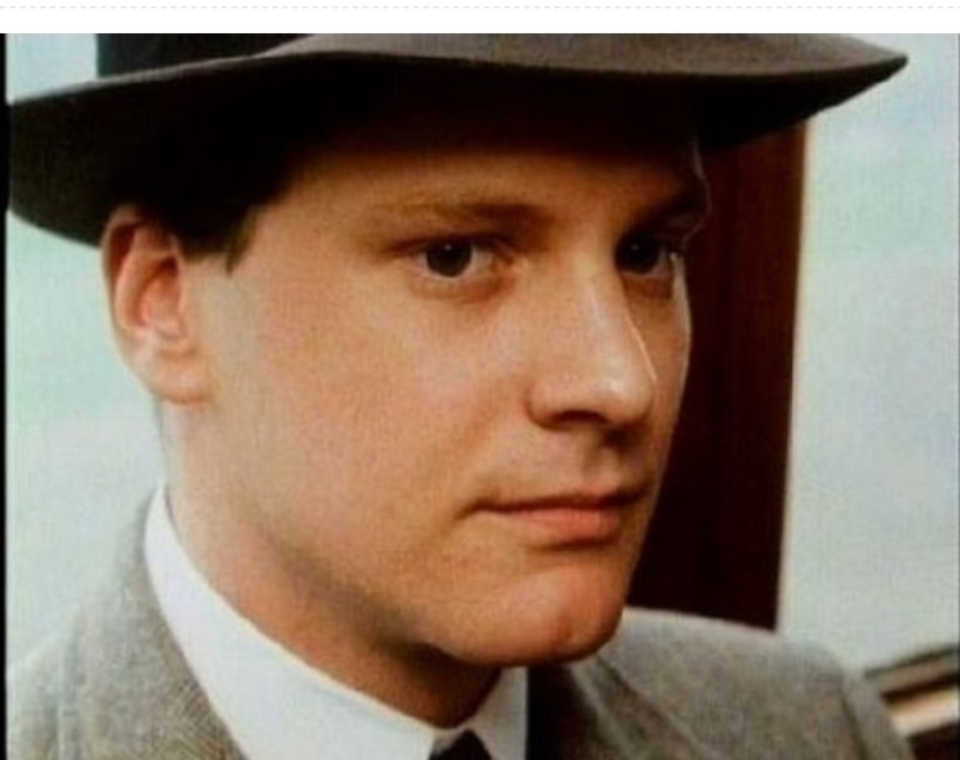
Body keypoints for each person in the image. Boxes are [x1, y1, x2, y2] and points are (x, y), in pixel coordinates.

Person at [8, 35, 912, 759]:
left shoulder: (811, 728)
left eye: (646, 253)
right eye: (456, 256)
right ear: (163, 302)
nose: (619, 381)